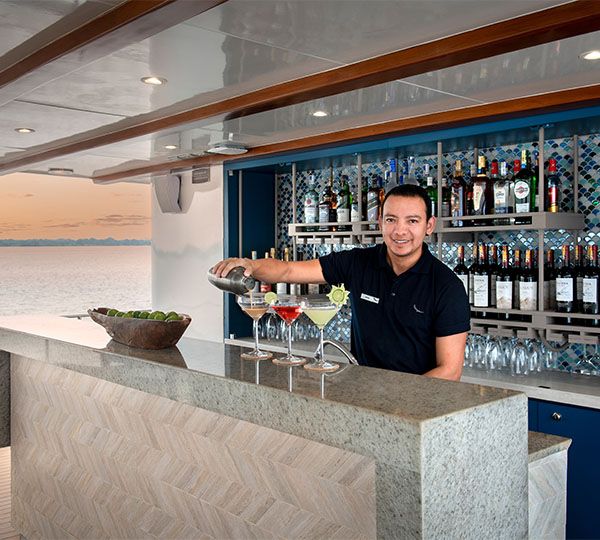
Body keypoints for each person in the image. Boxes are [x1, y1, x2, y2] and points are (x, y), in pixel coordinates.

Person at [213, 184, 470, 381]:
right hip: (364, 395)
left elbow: (450, 371)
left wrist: (397, 399)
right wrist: (251, 265)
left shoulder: (447, 287)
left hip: (417, 406)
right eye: (391, 219)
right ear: (380, 222)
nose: (400, 231)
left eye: (412, 221)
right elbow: (288, 270)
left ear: (429, 225)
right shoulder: (358, 263)